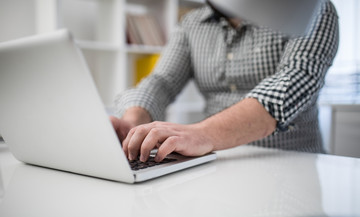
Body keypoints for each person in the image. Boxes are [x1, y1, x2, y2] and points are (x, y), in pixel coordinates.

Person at [110, 0, 339, 163]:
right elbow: (162, 81)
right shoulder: (191, 23)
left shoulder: (310, 10)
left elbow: (291, 83)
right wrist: (133, 122)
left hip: (293, 163)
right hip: (216, 162)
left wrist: (202, 133)